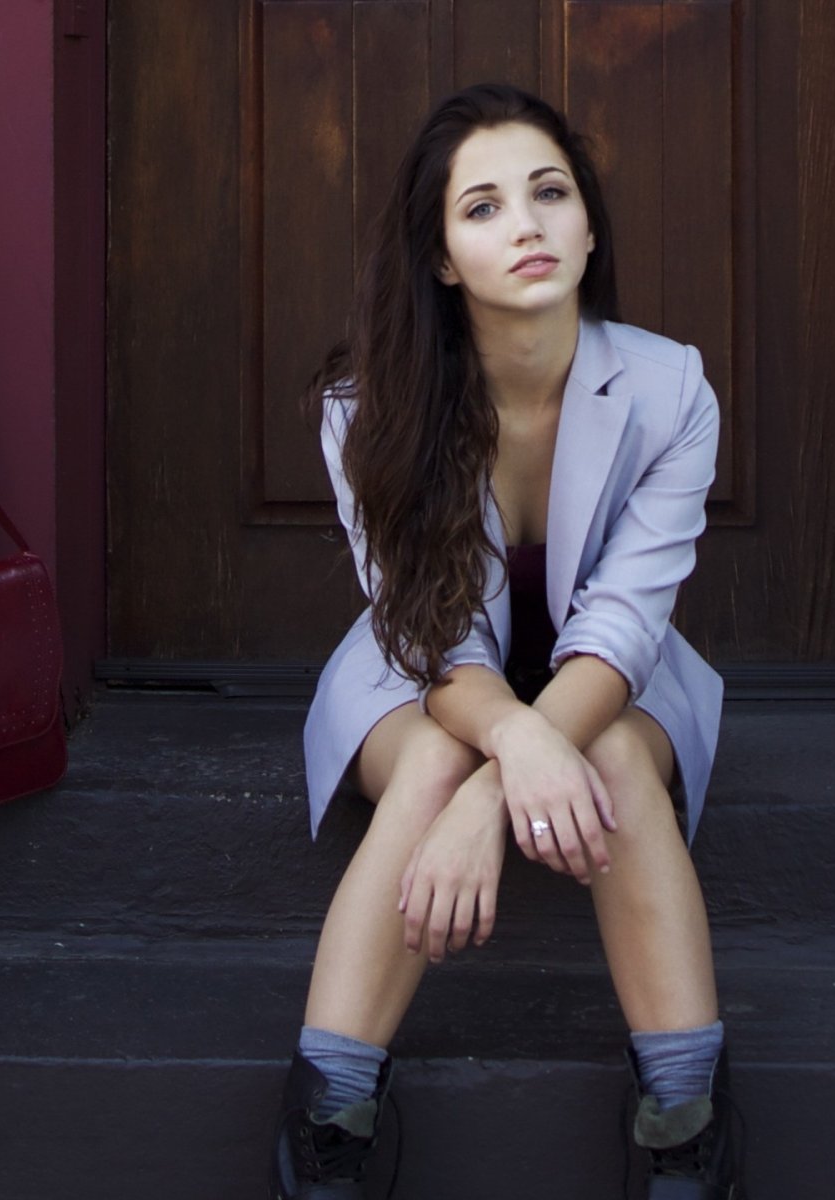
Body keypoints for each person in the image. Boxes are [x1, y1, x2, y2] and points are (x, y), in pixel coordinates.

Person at [273, 82, 737, 1199]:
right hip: (421, 675)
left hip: (618, 684)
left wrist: (504, 791)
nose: (525, 225)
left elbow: (627, 620)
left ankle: (685, 1124)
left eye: (549, 193)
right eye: (481, 208)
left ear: (588, 223)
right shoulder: (365, 405)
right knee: (436, 759)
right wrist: (494, 755)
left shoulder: (672, 388)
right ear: (441, 256)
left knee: (613, 754)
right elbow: (427, 632)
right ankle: (330, 1111)